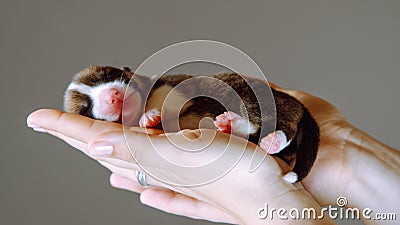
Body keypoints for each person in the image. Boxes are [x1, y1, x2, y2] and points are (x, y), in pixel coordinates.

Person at [27, 84, 399, 225]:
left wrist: (266, 206)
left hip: (253, 127)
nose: (107, 95)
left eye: (105, 81)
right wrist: (349, 166)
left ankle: (261, 135)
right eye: (93, 103)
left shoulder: (166, 91)